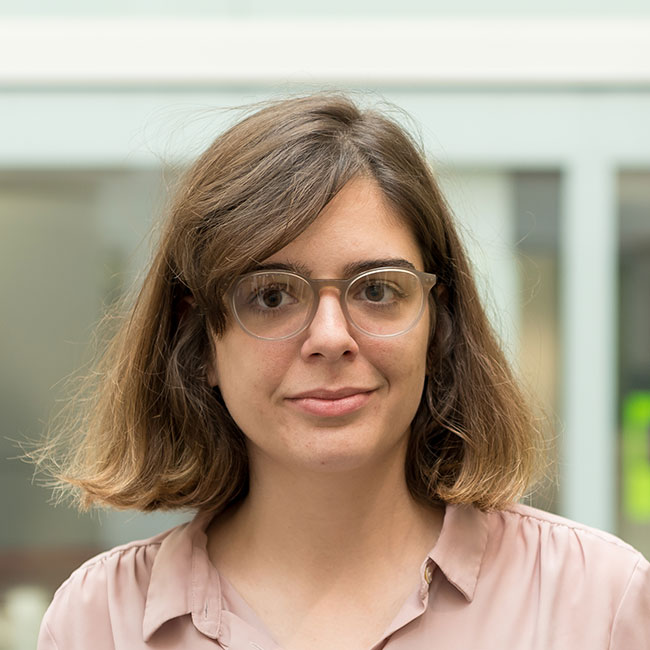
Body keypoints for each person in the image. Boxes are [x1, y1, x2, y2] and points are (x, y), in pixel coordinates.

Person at [36, 92, 649, 650]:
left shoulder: (599, 603)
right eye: (271, 295)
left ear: (438, 326)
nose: (330, 339)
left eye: (377, 290)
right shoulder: (99, 623)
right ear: (199, 344)